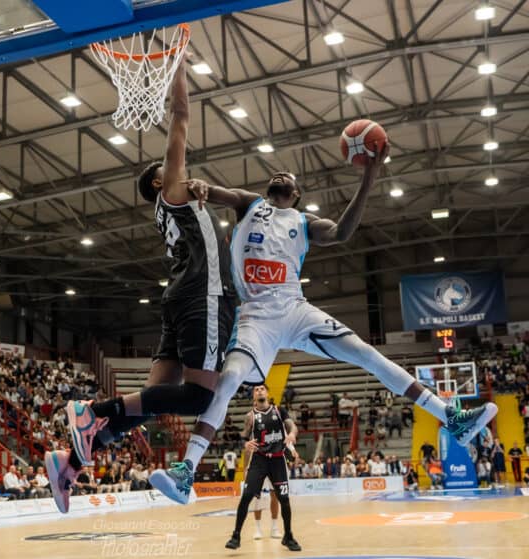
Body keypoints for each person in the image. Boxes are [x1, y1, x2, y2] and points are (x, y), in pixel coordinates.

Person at [151, 153, 498, 504]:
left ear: (297, 193)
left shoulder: (304, 221)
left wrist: (370, 176)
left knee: (368, 354)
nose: (280, 172)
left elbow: (342, 233)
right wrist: (199, 187)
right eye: (277, 172)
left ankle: (451, 417)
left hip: (295, 308)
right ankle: (186, 472)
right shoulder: (249, 203)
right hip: (256, 316)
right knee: (228, 380)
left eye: (287, 174)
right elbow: (213, 191)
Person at [45, 55, 236, 514]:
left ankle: (67, 464)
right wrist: (178, 65)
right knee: (198, 396)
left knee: (146, 407)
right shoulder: (172, 190)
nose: (181, 169)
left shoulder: (172, 205)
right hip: (201, 295)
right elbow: (182, 118)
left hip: (179, 298)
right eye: (170, 169)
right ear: (159, 179)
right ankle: (90, 411)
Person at [225, 385, 300, 551]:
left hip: (278, 460)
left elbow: (292, 426)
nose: (259, 391)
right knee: (246, 497)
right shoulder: (250, 416)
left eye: (262, 389)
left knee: (284, 500)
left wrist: (292, 434)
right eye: (256, 389)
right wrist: (244, 444)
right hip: (258, 461)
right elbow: (243, 437)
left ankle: (288, 536)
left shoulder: (279, 411)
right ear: (253, 395)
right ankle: (236, 536)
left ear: (267, 392)